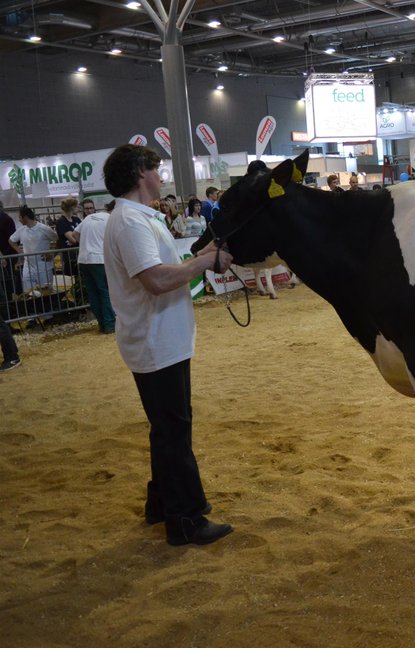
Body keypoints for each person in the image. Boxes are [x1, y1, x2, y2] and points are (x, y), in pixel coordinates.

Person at [102, 143, 234, 547]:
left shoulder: (141, 217)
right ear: (141, 172)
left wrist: (206, 252)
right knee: (174, 430)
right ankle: (185, 519)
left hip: (164, 339)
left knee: (168, 427)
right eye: (157, 169)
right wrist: (206, 262)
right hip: (154, 340)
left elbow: (170, 270)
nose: (162, 177)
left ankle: (161, 502)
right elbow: (156, 280)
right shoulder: (130, 222)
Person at [75, 199, 116, 334]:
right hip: (99, 259)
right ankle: (109, 324)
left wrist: (86, 244)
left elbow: (75, 235)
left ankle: (102, 324)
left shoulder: (88, 218)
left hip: (84, 259)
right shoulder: (110, 219)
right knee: (104, 292)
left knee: (93, 293)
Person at [9, 206, 57, 294]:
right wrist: (20, 252)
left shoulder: (44, 229)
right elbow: (11, 240)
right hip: (28, 266)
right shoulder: (22, 230)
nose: (19, 220)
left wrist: (53, 253)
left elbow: (58, 239)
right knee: (29, 293)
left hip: (44, 266)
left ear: (25, 217)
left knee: (46, 293)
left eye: (20, 217)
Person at [0, 200, 22, 298]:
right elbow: (13, 238)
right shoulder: (6, 218)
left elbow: (13, 238)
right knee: (8, 281)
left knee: (7, 281)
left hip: (6, 255)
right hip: (7, 255)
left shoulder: (5, 219)